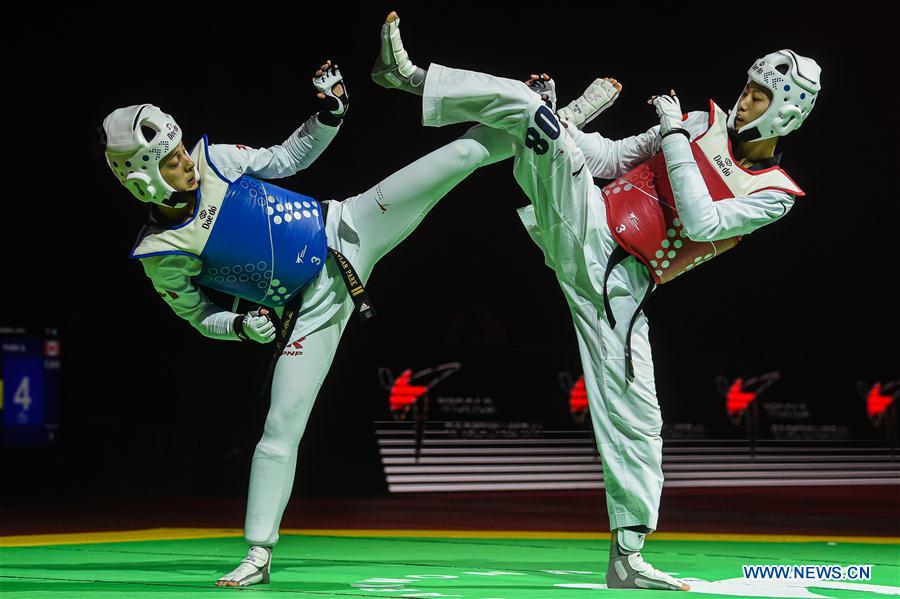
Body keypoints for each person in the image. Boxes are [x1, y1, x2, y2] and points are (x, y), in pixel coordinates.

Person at [373, 11, 821, 591]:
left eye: (759, 96)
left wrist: (676, 136)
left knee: (640, 419)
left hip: (622, 285)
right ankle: (409, 77)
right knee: (530, 111)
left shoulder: (774, 194)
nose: (743, 102)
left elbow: (702, 219)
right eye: (747, 88)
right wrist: (568, 120)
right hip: (584, 219)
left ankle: (627, 559)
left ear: (789, 110)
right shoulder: (697, 122)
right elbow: (609, 159)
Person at [102, 61, 512, 587]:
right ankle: (258, 554)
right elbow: (198, 315)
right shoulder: (162, 251)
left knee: (459, 155)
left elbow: (286, 157)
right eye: (173, 161)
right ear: (142, 181)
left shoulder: (216, 160)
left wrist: (329, 114)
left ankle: (538, 130)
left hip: (347, 226)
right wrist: (240, 326)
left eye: (182, 149)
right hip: (309, 313)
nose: (187, 160)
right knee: (279, 429)